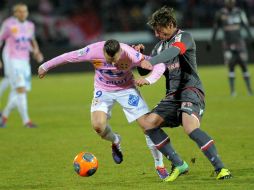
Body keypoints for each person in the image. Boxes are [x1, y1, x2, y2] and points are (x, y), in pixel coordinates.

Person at [37, 39, 169, 179]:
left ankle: (159, 164)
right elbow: (69, 56)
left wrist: (149, 79)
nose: (112, 63)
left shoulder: (130, 53)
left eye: (115, 59)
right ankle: (116, 140)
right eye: (108, 58)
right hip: (103, 90)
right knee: (98, 126)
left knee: (147, 126)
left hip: (127, 90)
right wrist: (45, 66)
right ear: (104, 52)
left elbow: (159, 64)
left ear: (120, 52)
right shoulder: (93, 50)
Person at [133, 6, 232, 182]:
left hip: (190, 90)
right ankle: (179, 164)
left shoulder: (184, 37)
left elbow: (176, 50)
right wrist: (139, 58)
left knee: (190, 127)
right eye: (155, 31)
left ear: (171, 24)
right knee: (147, 124)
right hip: (172, 95)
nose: (157, 34)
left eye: (160, 30)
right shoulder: (159, 46)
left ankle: (221, 168)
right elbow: (144, 70)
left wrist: (152, 60)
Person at [0, 3, 43, 128]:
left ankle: (3, 117)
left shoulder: (30, 26)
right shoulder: (9, 24)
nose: (23, 13)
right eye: (20, 11)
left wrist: (36, 51)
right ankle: (26, 121)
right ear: (15, 13)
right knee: (21, 90)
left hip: (25, 61)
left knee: (18, 91)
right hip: (13, 60)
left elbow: (32, 40)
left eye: (25, 11)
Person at [207, 0, 253, 96]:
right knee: (231, 66)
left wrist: (251, 39)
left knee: (244, 65)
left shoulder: (239, 12)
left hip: (240, 44)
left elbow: (246, 26)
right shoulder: (220, 13)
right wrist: (211, 41)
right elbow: (215, 28)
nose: (230, 2)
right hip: (228, 45)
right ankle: (233, 92)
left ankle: (249, 90)